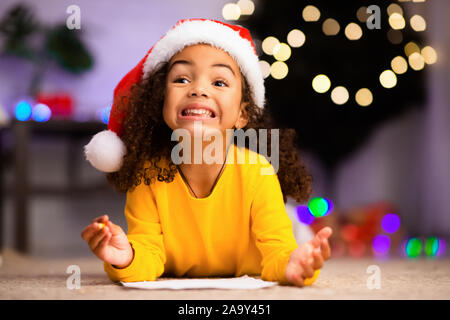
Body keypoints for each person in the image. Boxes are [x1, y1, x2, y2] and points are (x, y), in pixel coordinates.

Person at [81, 19, 332, 287]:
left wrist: (293, 263)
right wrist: (125, 257)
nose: (198, 89)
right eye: (182, 79)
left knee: (293, 231)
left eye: (220, 82)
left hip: (276, 232)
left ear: (242, 114)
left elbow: (277, 254)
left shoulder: (258, 171)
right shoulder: (147, 174)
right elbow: (148, 253)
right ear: (160, 102)